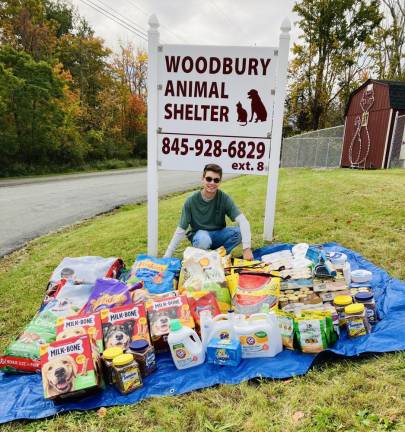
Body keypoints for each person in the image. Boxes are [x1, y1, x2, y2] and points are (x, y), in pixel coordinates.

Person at [164, 163, 254, 260]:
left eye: (216, 180)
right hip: (200, 235)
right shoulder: (191, 201)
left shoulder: (223, 198)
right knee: (203, 239)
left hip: (218, 234)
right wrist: (167, 255)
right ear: (202, 179)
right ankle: (206, 259)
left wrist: (246, 248)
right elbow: (181, 229)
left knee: (240, 232)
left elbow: (243, 221)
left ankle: (219, 256)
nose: (212, 183)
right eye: (208, 179)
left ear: (219, 182)